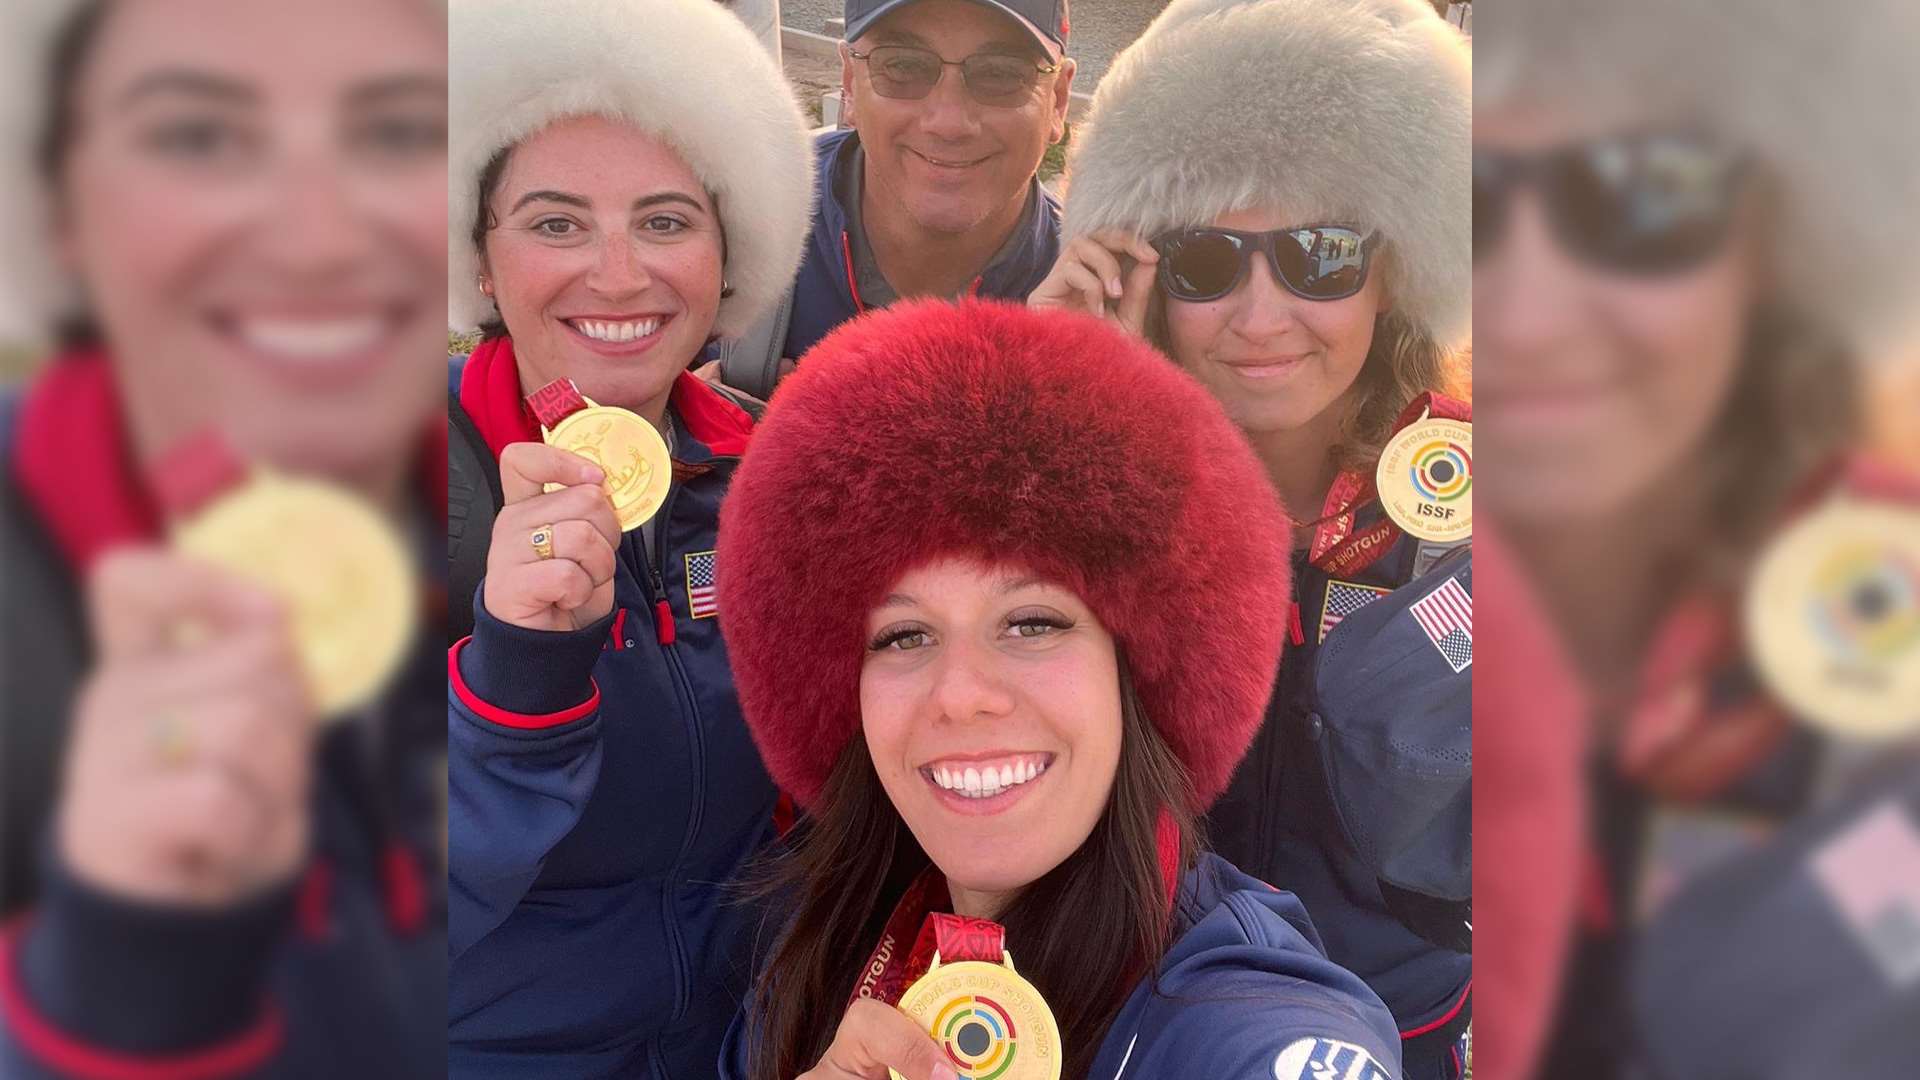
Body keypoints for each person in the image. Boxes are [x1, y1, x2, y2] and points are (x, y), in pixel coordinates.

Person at [712, 298, 1401, 1080]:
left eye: (1032, 622)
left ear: (1138, 665)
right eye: (904, 636)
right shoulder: (818, 954)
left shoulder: (1239, 1021)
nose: (962, 694)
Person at [0, 0, 448, 1074]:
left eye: (396, 131)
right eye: (195, 135)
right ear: (61, 203)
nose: (318, 236)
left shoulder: (498, 502)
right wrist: (125, 984)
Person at [1475, 1, 1920, 1076]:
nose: (1528, 318)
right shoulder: (1367, 581)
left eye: (1644, 196)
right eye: (1473, 207)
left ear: (1769, 240)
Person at [1030, 1, 1473, 1073]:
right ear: (1142, 276)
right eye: (1206, 260)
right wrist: (1042, 400)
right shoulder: (1086, 493)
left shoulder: (1491, 504)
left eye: (1321, 256)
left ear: (1395, 269)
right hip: (1143, 1033)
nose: (1262, 315)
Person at [441, 0, 813, 1074]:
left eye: (664, 220)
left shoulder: (781, 476)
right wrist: (519, 680)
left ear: (728, 251)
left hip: (765, 1041)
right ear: (478, 257)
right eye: (556, 222)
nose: (615, 275)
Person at [714, 0, 1073, 398]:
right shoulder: (726, 219)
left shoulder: (1097, 305)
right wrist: (687, 426)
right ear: (850, 84)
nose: (948, 123)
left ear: (1057, 100)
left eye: (1002, 74)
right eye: (903, 66)